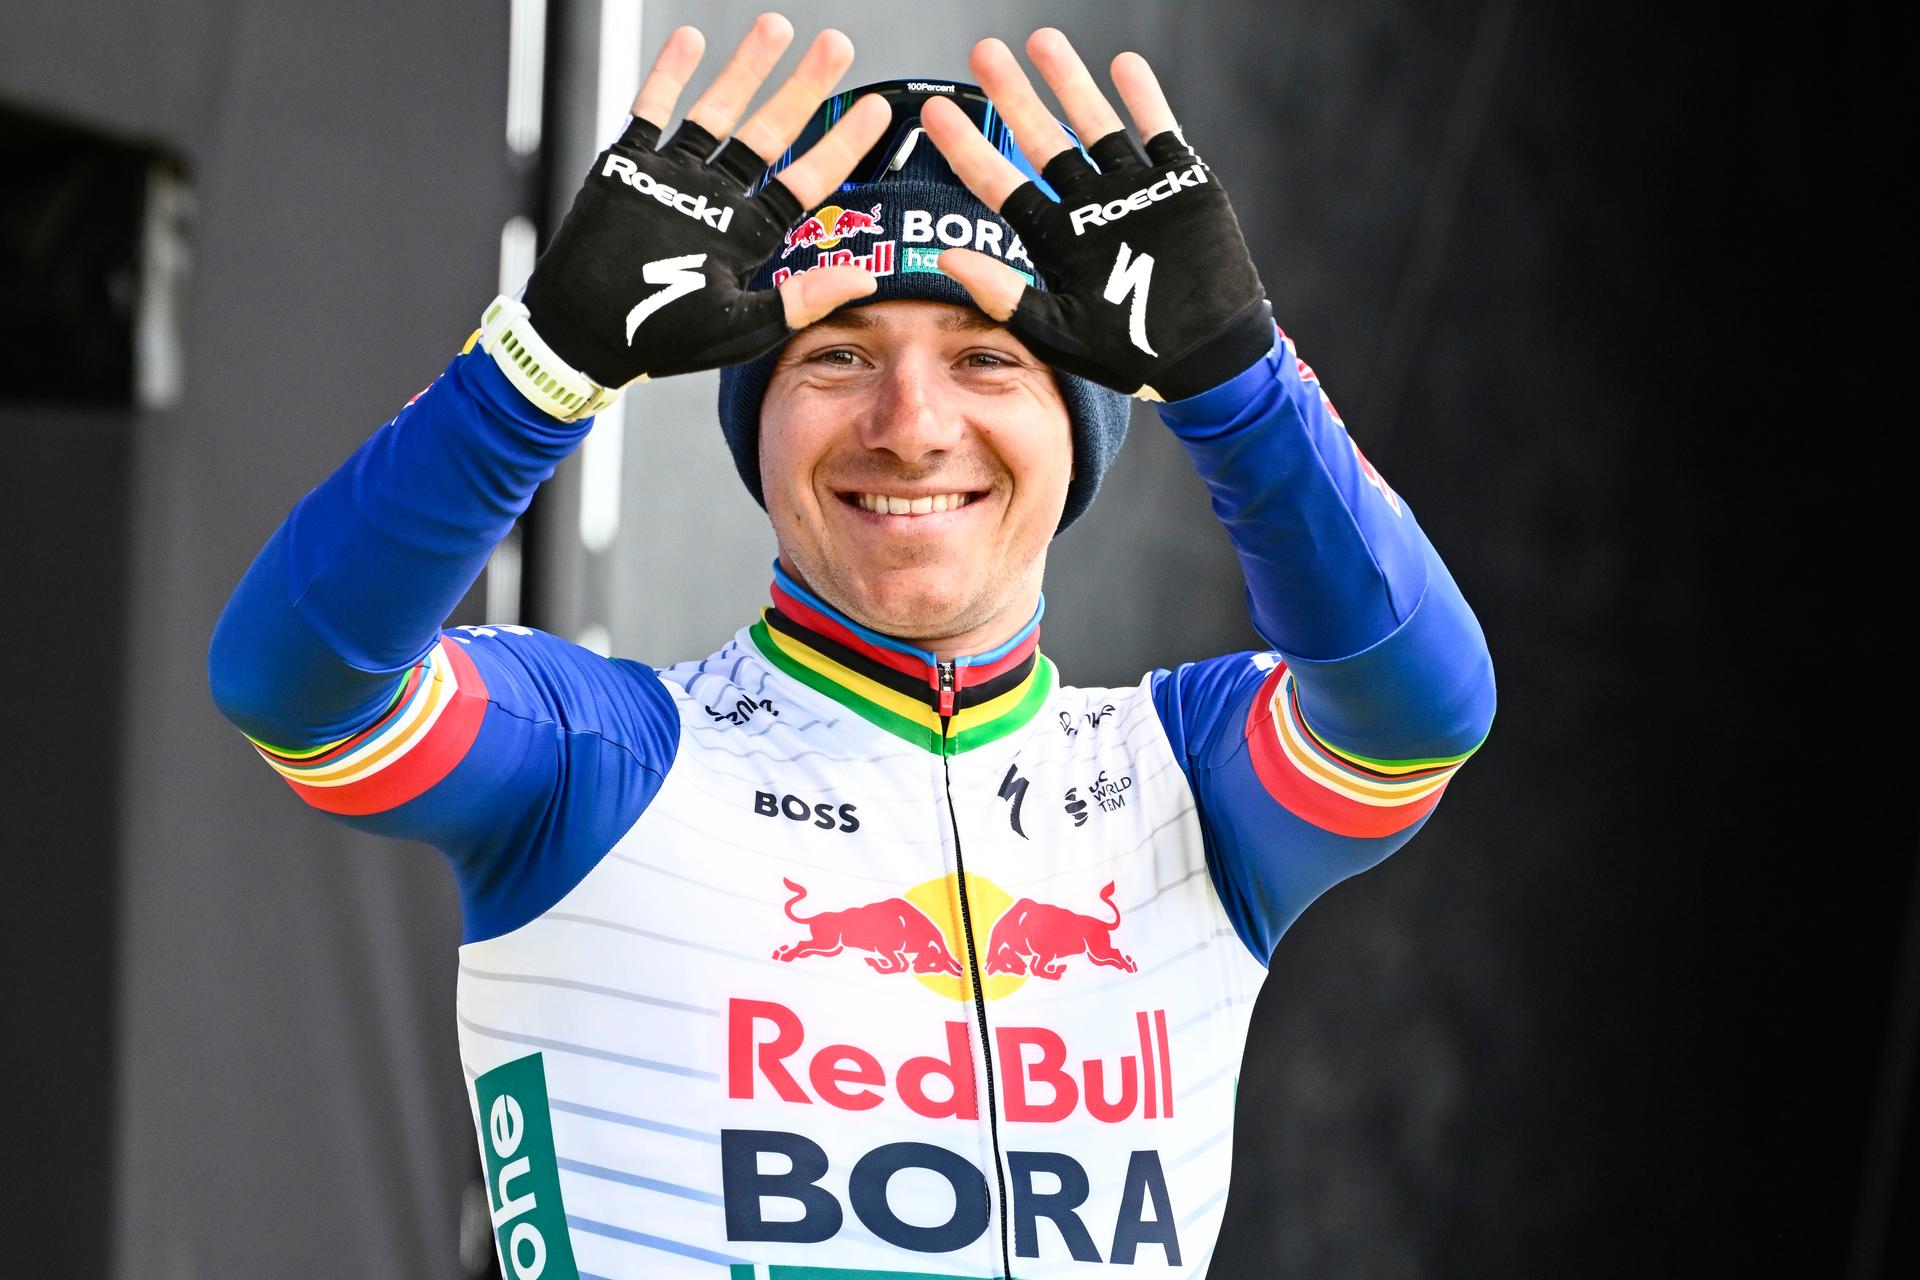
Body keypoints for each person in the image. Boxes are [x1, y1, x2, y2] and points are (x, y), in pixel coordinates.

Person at [208, 16, 1494, 1279]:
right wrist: (543, 363)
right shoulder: (597, 761)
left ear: (1083, 427)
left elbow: (1421, 705)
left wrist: (1236, 379)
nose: (911, 423)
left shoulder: (1190, 783)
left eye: (989, 357)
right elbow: (292, 682)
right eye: (837, 354)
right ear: (754, 426)